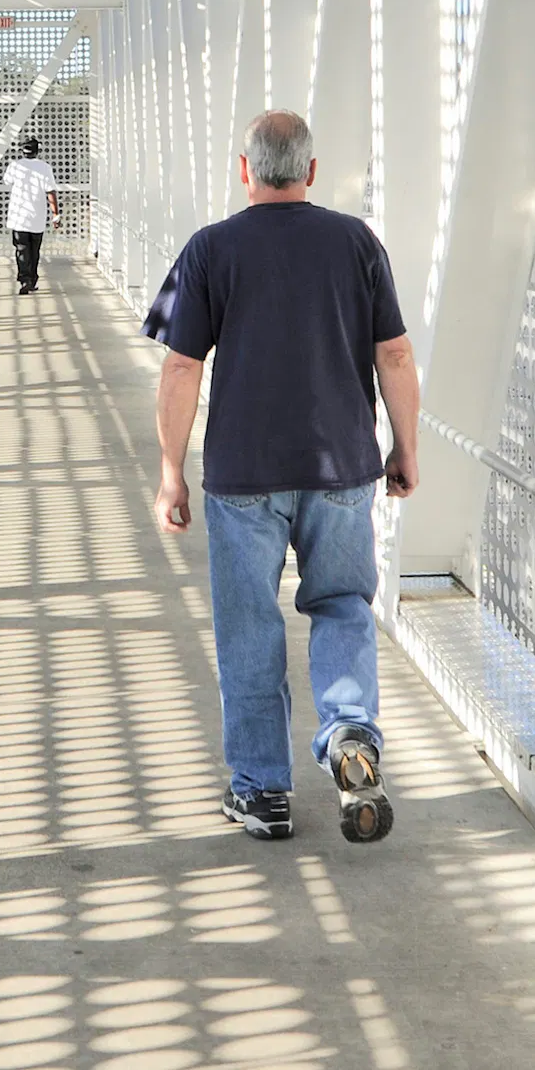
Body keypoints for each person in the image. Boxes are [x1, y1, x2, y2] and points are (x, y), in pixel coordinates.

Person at [145, 110, 417, 844]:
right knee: (341, 606)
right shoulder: (356, 242)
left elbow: (180, 366)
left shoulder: (210, 249)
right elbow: (393, 355)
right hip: (342, 468)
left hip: (244, 476)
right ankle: (350, 733)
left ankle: (263, 792)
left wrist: (171, 471)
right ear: (311, 171)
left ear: (245, 169)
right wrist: (405, 448)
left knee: (249, 631)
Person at [0, 133, 62, 292]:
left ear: (22, 151)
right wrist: (55, 214)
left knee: (21, 249)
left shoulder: (14, 166)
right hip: (37, 217)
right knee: (34, 250)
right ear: (37, 151)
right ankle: (32, 278)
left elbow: (7, 181)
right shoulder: (45, 167)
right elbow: (51, 191)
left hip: (18, 216)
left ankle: (24, 278)